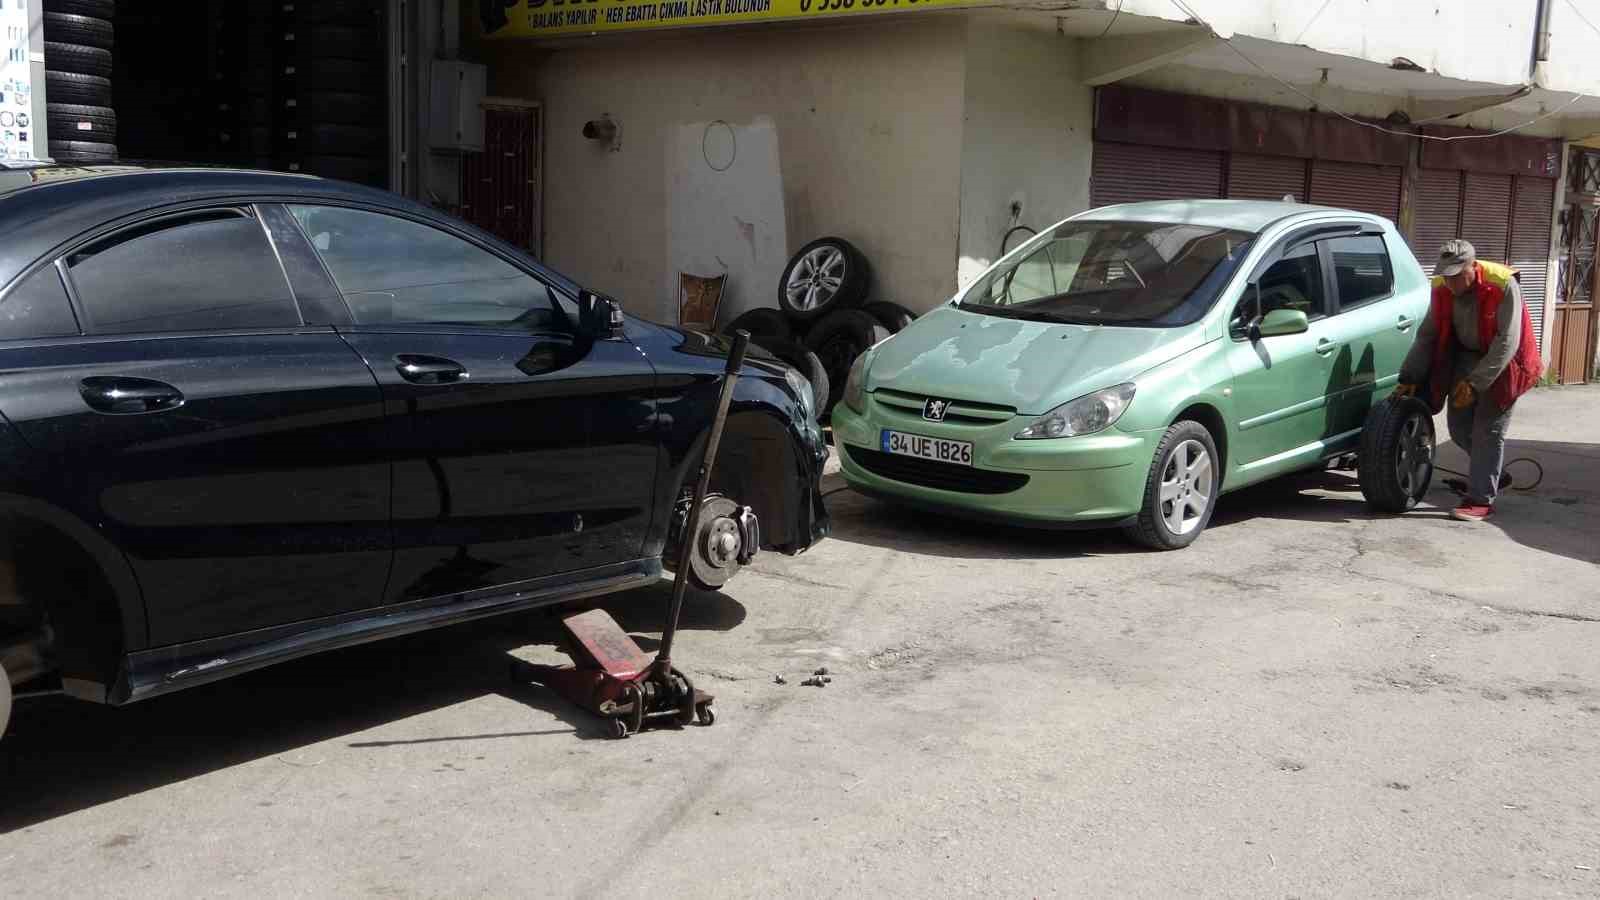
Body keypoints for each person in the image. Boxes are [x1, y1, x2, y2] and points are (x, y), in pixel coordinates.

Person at [1396, 240, 1542, 522]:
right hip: (1465, 357)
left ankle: (1480, 500)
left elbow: (1507, 342)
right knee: (1460, 427)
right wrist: (1409, 376)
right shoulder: (1441, 287)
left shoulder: (1503, 285)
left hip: (1505, 362)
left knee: (1488, 430)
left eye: (1456, 276)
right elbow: (1427, 335)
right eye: (1446, 276)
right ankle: (1489, 474)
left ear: (1472, 267)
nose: (1451, 283)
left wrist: (1475, 383)